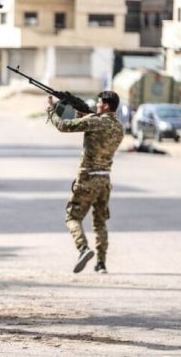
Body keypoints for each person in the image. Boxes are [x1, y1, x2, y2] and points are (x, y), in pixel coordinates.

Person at [47, 91, 124, 274]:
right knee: (100, 222)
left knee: (72, 217)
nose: (96, 105)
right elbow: (99, 129)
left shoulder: (95, 122)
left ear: (106, 106)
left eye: (99, 103)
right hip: (104, 179)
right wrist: (86, 116)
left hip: (88, 177)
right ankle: (101, 264)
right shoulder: (119, 127)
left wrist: (51, 110)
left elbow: (63, 126)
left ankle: (83, 248)